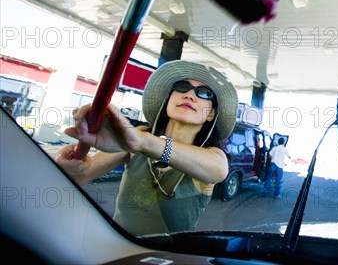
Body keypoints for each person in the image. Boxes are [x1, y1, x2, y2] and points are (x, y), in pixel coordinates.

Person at [56, 60, 238, 235]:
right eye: (182, 87)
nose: (189, 95)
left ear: (211, 114)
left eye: (204, 93)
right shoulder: (139, 135)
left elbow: (219, 170)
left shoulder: (210, 155)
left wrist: (142, 143)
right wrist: (68, 163)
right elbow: (81, 174)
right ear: (168, 100)